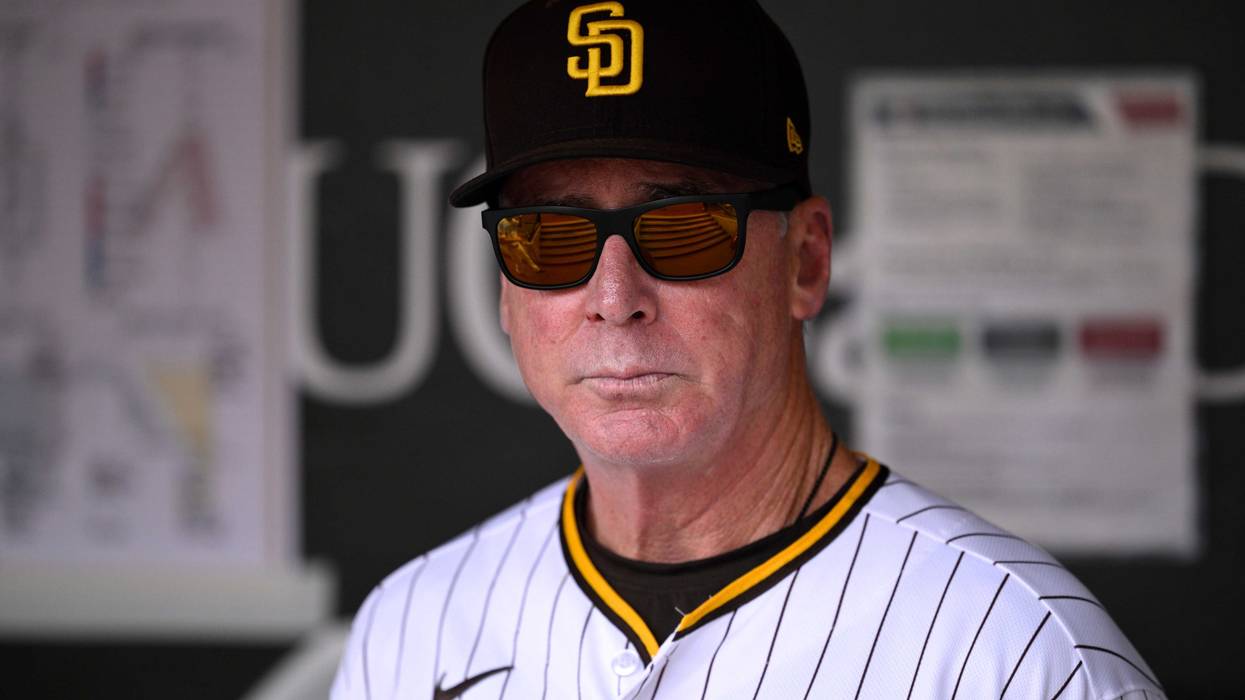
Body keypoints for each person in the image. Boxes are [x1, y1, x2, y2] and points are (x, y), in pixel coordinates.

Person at [332, 1, 1163, 698]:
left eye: (682, 229)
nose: (614, 299)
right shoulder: (413, 626)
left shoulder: (1018, 652)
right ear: (507, 291)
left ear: (805, 261)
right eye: (549, 237)